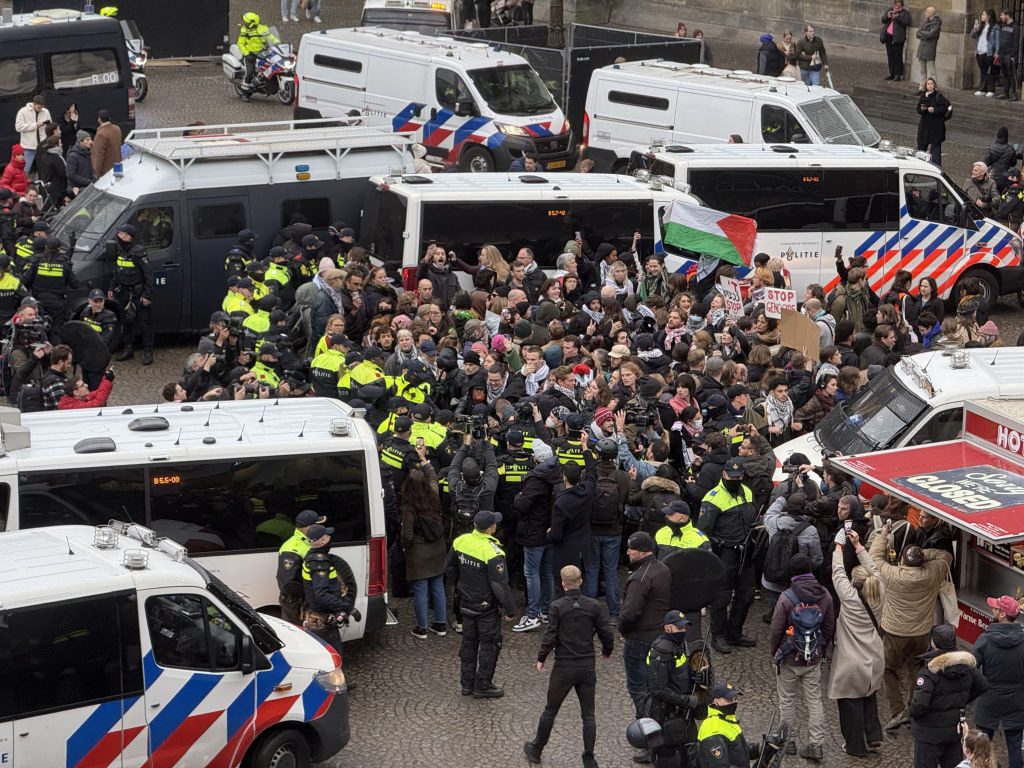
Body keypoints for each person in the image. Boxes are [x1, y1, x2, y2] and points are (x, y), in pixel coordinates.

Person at [523, 565, 613, 768]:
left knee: (550, 710)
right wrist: (607, 650)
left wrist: (541, 657)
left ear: (563, 584)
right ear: (580, 581)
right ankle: (588, 757)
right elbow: (605, 632)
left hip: (564, 667)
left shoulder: (556, 607)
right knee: (588, 715)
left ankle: (536, 748)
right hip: (587, 666)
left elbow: (550, 635)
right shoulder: (593, 606)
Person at [869, 525, 953, 731]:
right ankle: (912, 709)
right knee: (916, 670)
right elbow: (945, 555)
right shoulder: (932, 573)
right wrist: (923, 554)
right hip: (921, 633)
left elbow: (874, 557)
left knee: (889, 669)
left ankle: (897, 712)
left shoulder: (892, 574)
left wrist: (882, 536)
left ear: (902, 561)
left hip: (894, 632)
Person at [769, 552, 835, 762]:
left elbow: (776, 629)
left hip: (789, 657)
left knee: (787, 700)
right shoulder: (824, 594)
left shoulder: (787, 597)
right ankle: (816, 745)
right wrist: (820, 650)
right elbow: (829, 626)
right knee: (814, 700)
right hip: (812, 657)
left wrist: (775, 652)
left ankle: (787, 742)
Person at [446, 509, 516, 698]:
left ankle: (466, 683)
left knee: (468, 643)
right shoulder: (493, 552)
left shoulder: (461, 541)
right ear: (491, 528)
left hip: (466, 603)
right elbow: (499, 585)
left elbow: (450, 568)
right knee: (489, 645)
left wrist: (460, 587)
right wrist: (510, 609)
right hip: (486, 608)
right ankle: (483, 684)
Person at [828, 529, 885, 757]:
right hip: (875, 657)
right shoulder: (880, 591)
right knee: (869, 695)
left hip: (851, 661)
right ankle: (873, 735)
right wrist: (859, 546)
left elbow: (837, 572)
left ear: (855, 582)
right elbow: (875, 570)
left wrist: (839, 547)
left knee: (850, 704)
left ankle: (855, 746)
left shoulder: (850, 598)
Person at [700, 459, 759, 654]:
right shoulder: (713, 498)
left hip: (746, 552)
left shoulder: (747, 491)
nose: (736, 480)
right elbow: (703, 530)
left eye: (739, 477)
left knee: (747, 594)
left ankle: (735, 632)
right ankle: (718, 635)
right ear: (724, 475)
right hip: (725, 553)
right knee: (721, 597)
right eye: (732, 477)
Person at [909, 624, 988, 768]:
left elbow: (919, 705)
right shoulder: (967, 664)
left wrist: (912, 715)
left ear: (934, 643)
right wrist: (962, 700)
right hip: (953, 732)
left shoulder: (929, 671)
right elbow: (982, 685)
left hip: (928, 734)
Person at [619, 531, 671, 722]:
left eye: (631, 549)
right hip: (659, 635)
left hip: (639, 639)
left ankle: (646, 726)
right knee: (656, 683)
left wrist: (623, 629)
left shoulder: (640, 578)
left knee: (638, 687)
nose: (628, 552)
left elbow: (630, 612)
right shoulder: (663, 569)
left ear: (641, 552)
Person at [644, 610, 702, 768]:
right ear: (668, 628)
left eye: (684, 628)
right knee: (667, 759)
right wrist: (686, 700)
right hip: (666, 714)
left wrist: (693, 676)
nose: (683, 631)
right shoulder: (660, 652)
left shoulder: (679, 644)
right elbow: (658, 689)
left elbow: (680, 671)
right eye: (679, 628)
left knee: (690, 755)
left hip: (683, 712)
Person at [972, 594, 1024, 768]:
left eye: (995, 607)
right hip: (1016, 702)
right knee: (1015, 747)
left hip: (988, 701)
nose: (992, 609)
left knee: (982, 748)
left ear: (1002, 614)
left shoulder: (985, 640)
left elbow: (971, 668)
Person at [400, 455, 449, 639]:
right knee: (438, 587)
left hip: (419, 552)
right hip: (437, 548)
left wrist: (406, 547)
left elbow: (407, 535)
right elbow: (434, 477)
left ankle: (422, 628)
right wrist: (425, 461)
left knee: (420, 589)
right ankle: (441, 624)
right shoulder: (433, 494)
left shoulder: (408, 506)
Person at [301, 523, 358, 658]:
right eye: (327, 536)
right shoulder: (320, 563)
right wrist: (346, 607)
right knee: (333, 659)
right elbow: (321, 595)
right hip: (322, 623)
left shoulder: (311, 557)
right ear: (321, 541)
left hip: (317, 619)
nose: (329, 538)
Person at [108, 224, 154, 365]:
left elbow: (149, 275)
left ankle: (148, 351)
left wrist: (147, 295)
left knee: (144, 323)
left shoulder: (138, 252)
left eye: (121, 234)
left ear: (129, 237)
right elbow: (118, 271)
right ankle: (128, 349)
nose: (119, 237)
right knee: (126, 321)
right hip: (123, 292)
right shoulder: (120, 250)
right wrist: (112, 287)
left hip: (138, 293)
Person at [276, 509, 326, 625]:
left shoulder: (308, 542)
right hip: (298, 606)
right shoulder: (293, 548)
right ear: (307, 528)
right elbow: (287, 582)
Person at [696, 682, 754, 768]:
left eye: (735, 699)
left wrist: (758, 749)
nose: (734, 703)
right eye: (729, 700)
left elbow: (735, 749)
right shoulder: (713, 731)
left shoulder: (727, 719)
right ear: (716, 702)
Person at [237, 12, 278, 101]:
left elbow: (271, 37)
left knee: (273, 65)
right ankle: (244, 93)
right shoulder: (244, 31)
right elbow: (240, 44)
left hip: (262, 53)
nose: (245, 24)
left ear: (253, 22)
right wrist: (247, 54)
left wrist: (277, 43)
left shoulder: (262, 29)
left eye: (247, 23)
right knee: (249, 72)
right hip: (250, 55)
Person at [917, 78, 950, 167]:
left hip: (936, 126)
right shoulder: (923, 96)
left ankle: (936, 167)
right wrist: (922, 110)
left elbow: (945, 108)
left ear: (934, 85)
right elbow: (918, 109)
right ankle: (919, 165)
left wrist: (935, 109)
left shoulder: (938, 96)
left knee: (935, 148)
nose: (930, 85)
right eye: (928, 84)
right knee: (921, 146)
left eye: (931, 84)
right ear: (925, 86)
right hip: (924, 125)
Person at [14, 95, 50, 172]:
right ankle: (22, 183)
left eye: (42, 107)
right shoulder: (23, 111)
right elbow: (18, 127)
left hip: (42, 145)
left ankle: (39, 184)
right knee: (25, 169)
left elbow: (50, 125)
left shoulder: (46, 111)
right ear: (33, 104)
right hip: (28, 146)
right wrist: (35, 125)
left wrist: (46, 125)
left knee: (42, 169)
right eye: (38, 108)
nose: (40, 109)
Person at [971, 10, 999, 98]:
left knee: (990, 71)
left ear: (988, 16)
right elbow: (973, 36)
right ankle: (982, 89)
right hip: (980, 51)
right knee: (983, 71)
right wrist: (975, 28)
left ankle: (991, 90)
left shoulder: (994, 27)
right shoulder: (981, 26)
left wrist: (997, 52)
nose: (982, 16)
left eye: (983, 14)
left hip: (989, 52)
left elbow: (998, 40)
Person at [881, 0, 911, 81]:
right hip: (888, 36)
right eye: (895, 4)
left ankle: (898, 74)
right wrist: (888, 16)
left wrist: (897, 17)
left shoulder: (904, 13)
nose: (897, 6)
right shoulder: (890, 9)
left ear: (901, 5)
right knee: (890, 55)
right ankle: (891, 73)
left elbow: (906, 23)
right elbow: (883, 20)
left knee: (897, 56)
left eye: (899, 5)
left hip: (898, 37)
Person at [997, 9, 1021, 100]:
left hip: (1010, 55)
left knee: (1012, 75)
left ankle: (1014, 94)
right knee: (1005, 74)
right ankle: (1005, 93)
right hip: (1002, 54)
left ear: (1007, 15)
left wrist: (1013, 56)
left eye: (1002, 15)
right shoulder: (1003, 26)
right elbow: (1002, 40)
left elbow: (1016, 43)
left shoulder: (1015, 27)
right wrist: (999, 53)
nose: (1001, 17)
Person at [91, 109, 123, 178]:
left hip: (106, 171)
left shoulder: (101, 134)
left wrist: (96, 172)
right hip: (117, 166)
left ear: (99, 119)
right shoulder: (117, 129)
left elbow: (98, 154)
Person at [916, 7, 942, 82]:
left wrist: (923, 33)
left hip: (930, 49)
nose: (925, 13)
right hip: (921, 48)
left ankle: (933, 88)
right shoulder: (925, 22)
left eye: (926, 11)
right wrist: (925, 35)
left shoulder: (937, 24)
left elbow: (931, 34)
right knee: (922, 71)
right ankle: (922, 88)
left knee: (932, 71)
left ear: (931, 13)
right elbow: (917, 33)